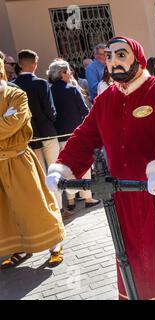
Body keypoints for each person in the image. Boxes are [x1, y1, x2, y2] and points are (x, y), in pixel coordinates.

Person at [45, 36, 155, 300]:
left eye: (121, 55)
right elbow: (85, 136)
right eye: (109, 57)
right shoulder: (105, 99)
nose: (114, 63)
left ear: (137, 56)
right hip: (123, 194)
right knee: (133, 255)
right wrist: (62, 167)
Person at [0, 58, 65, 269]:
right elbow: (7, 125)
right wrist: (4, 120)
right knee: (9, 211)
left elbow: (15, 123)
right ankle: (20, 247)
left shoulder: (16, 94)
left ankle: (54, 244)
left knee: (36, 204)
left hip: (19, 160)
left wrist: (8, 122)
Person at [12, 50, 64, 211]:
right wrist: (51, 120)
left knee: (39, 174)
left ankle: (47, 209)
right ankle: (59, 207)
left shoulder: (13, 85)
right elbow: (50, 110)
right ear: (35, 64)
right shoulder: (41, 83)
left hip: (29, 135)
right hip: (47, 131)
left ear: (19, 64)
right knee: (55, 170)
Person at [47, 59, 101, 212]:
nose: (70, 73)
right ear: (62, 73)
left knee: (65, 166)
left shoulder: (49, 90)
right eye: (68, 71)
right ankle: (88, 197)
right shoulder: (72, 89)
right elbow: (85, 111)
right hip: (76, 133)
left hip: (60, 135)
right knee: (82, 167)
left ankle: (70, 201)